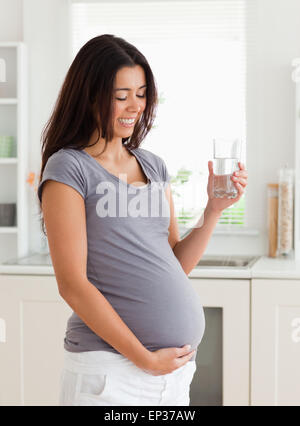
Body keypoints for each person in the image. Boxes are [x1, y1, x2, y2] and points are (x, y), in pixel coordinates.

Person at [37, 34, 248, 406]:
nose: (134, 106)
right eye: (121, 96)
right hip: (111, 373)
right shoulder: (69, 168)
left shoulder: (152, 164)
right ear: (89, 96)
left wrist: (212, 208)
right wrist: (144, 359)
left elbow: (175, 262)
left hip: (172, 376)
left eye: (142, 93)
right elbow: (72, 284)